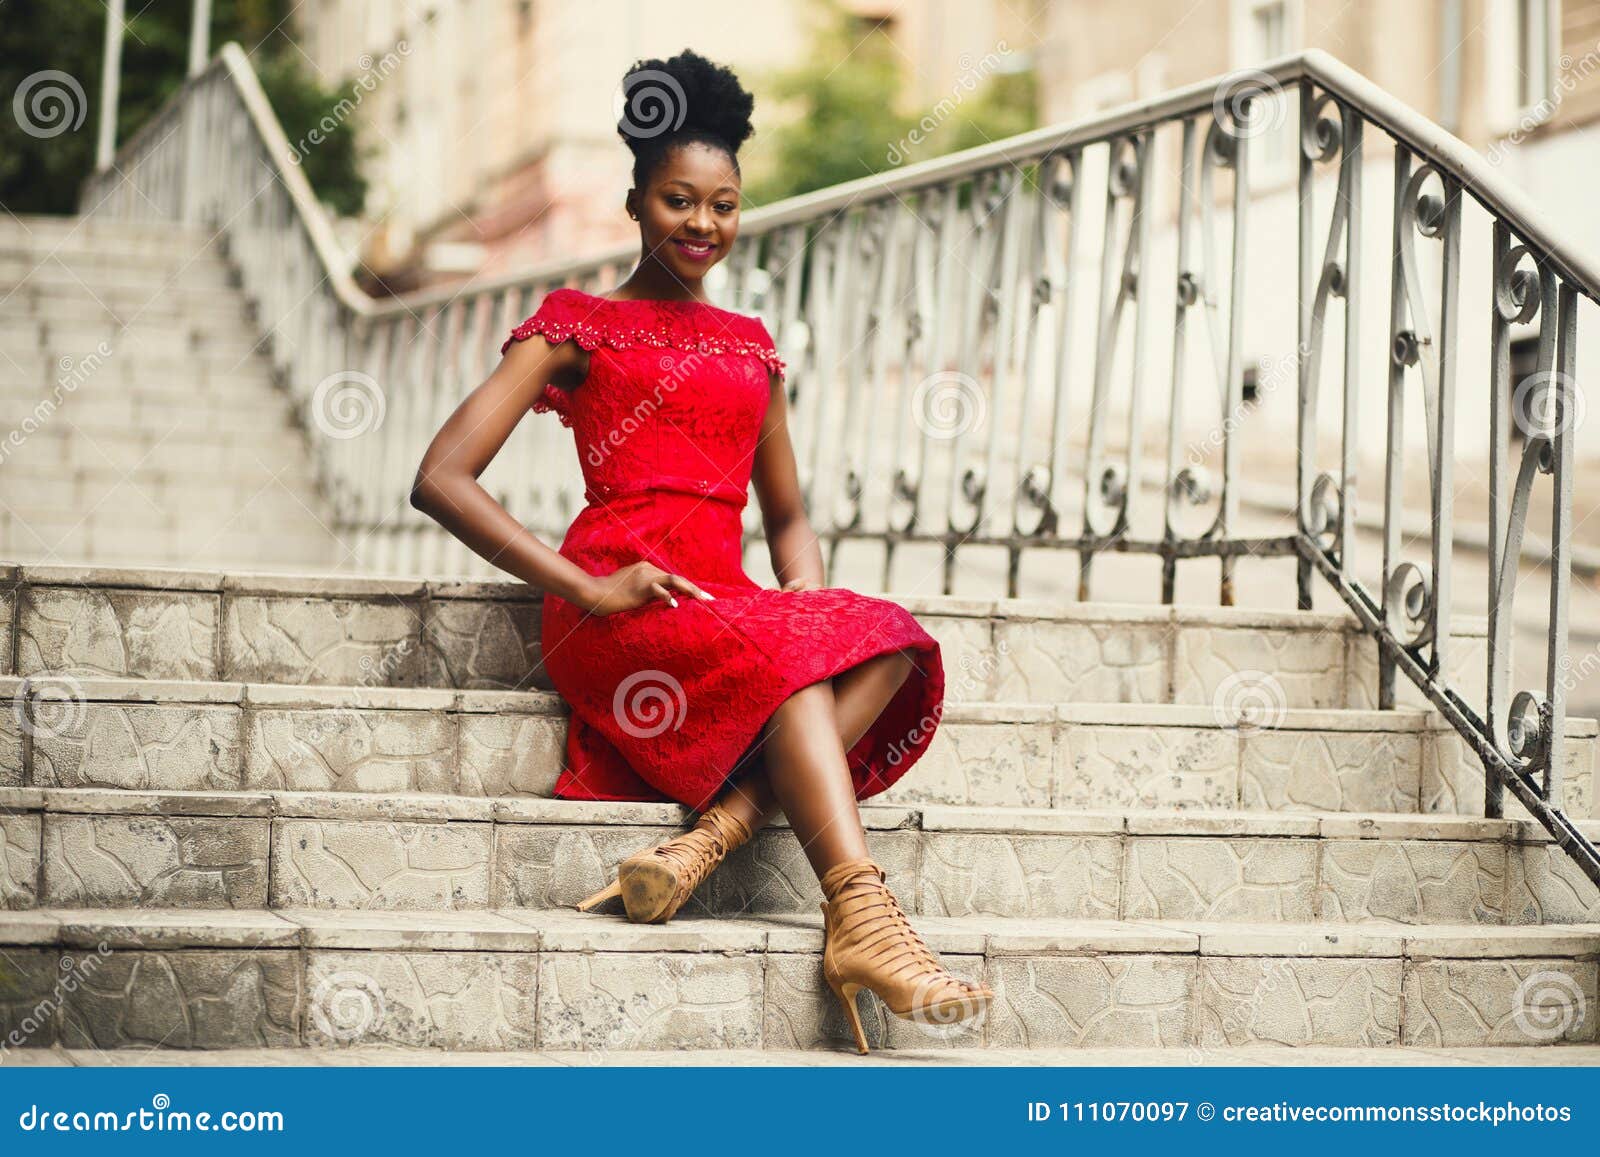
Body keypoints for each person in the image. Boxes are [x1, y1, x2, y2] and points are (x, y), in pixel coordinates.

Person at [411, 48, 990, 1054]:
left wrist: (805, 600)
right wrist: (587, 587)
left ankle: (706, 843)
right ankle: (859, 915)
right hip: (624, 602)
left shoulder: (751, 343)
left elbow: (790, 514)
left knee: (889, 640)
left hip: (723, 598)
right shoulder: (576, 325)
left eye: (724, 205)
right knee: (800, 665)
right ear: (637, 201)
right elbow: (442, 477)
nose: (703, 225)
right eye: (680, 201)